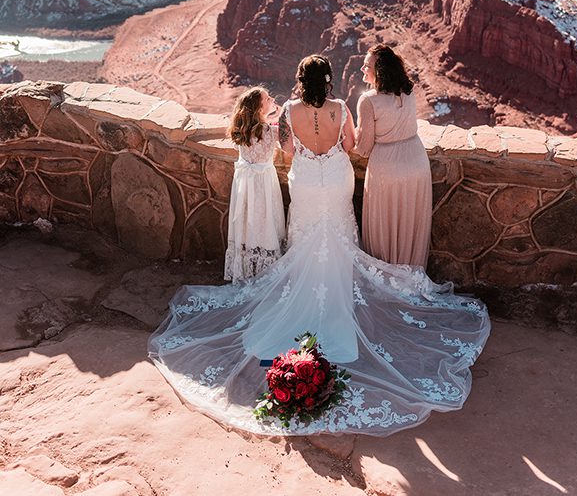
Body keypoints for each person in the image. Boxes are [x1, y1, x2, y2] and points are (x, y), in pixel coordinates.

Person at [149, 54, 490, 436]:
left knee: (305, 237)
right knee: (341, 233)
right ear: (328, 81)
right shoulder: (342, 108)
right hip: (338, 179)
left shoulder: (289, 111)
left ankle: (298, 303)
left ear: (300, 79)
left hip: (307, 182)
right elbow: (350, 145)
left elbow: (290, 153)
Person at [355, 44, 432, 267]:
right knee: (410, 221)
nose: (362, 69)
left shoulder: (368, 100)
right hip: (417, 163)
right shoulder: (409, 91)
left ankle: (386, 273)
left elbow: (364, 147)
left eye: (367, 65)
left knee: (384, 223)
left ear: (380, 70)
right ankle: (410, 271)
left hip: (387, 168)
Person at [223, 87, 285, 282]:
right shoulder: (269, 131)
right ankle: (264, 266)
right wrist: (280, 113)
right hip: (263, 183)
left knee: (247, 221)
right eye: (268, 99)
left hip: (244, 184)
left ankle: (246, 265)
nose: (272, 99)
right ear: (259, 107)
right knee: (265, 220)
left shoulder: (242, 129)